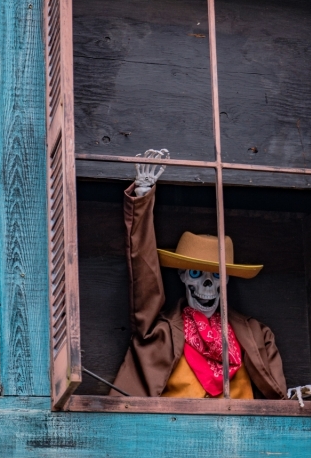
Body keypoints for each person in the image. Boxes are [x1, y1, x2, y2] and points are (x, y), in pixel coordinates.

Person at [113, 150, 288, 400]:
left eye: (217, 276)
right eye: (196, 273)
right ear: (183, 277)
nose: (207, 283)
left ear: (226, 281)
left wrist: (301, 397)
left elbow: (281, 398)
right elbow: (144, 278)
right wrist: (142, 198)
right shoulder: (161, 331)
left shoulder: (256, 334)